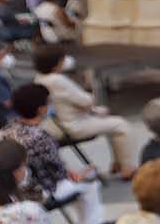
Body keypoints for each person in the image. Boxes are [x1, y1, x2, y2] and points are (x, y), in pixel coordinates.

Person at [0, 83, 108, 224]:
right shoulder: (40, 137)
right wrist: (80, 175)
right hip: (40, 192)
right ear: (41, 109)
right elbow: (57, 171)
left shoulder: (7, 130)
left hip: (14, 190)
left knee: (78, 179)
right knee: (91, 180)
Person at [34, 43, 134, 179]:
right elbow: (87, 101)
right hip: (74, 125)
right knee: (120, 125)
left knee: (109, 120)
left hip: (59, 123)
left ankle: (118, 164)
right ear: (56, 64)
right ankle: (127, 168)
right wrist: (90, 85)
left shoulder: (39, 78)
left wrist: (94, 111)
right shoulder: (57, 80)